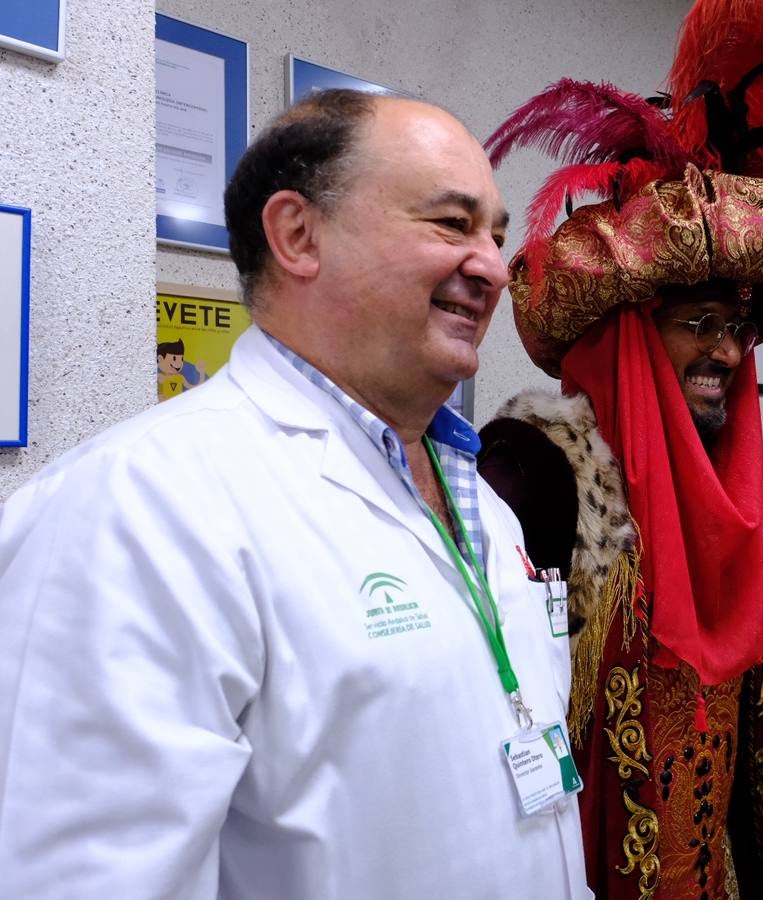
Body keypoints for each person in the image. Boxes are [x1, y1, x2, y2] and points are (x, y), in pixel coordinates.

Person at [0, 89, 589, 898]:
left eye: (496, 233)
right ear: (298, 235)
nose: (493, 266)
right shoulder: (135, 510)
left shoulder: (482, 501)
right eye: (453, 225)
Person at [476, 3, 763, 896]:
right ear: (631, 337)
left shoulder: (729, 492)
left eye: (737, 330)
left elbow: (759, 744)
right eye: (699, 325)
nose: (726, 352)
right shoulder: (529, 473)